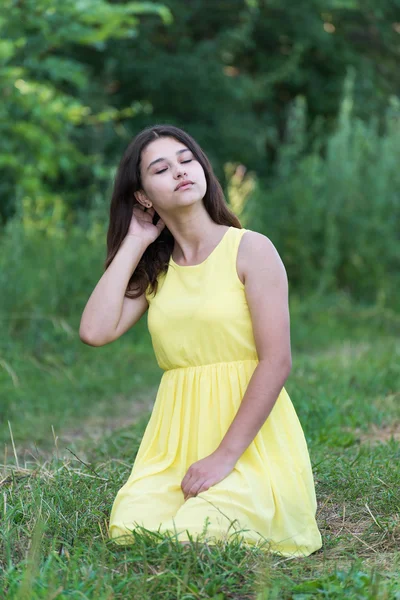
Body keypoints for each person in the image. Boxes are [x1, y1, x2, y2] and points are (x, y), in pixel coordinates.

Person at [79, 124, 322, 557]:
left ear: (203, 169)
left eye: (186, 159)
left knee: (202, 529)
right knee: (132, 525)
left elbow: (277, 361)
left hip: (250, 447)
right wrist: (136, 241)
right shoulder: (157, 270)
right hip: (175, 448)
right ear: (143, 196)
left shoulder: (251, 250)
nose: (179, 171)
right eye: (161, 168)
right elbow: (95, 331)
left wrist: (224, 457)